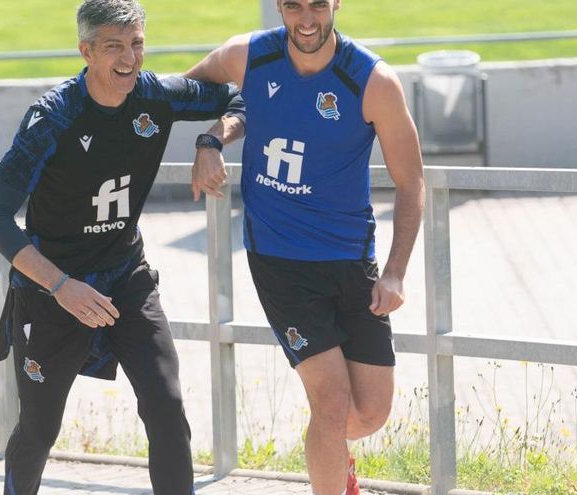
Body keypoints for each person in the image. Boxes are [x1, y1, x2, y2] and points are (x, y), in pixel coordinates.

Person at [0, 1, 241, 494]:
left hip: (125, 278)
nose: (129, 58)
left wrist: (210, 142)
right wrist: (60, 285)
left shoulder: (157, 96)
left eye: (137, 44)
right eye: (114, 46)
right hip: (54, 292)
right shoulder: (52, 117)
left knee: (166, 407)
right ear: (87, 51)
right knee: (38, 429)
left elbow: (240, 99)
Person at [185, 1, 425, 494]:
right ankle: (329, 460)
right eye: (293, 5)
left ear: (337, 3)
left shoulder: (373, 81)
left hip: (351, 259)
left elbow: (411, 182)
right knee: (332, 401)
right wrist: (210, 140)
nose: (307, 17)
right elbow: (181, 95)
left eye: (318, 3)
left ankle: (330, 451)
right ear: (279, 7)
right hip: (279, 260)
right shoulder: (245, 56)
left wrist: (396, 272)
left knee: (371, 412)